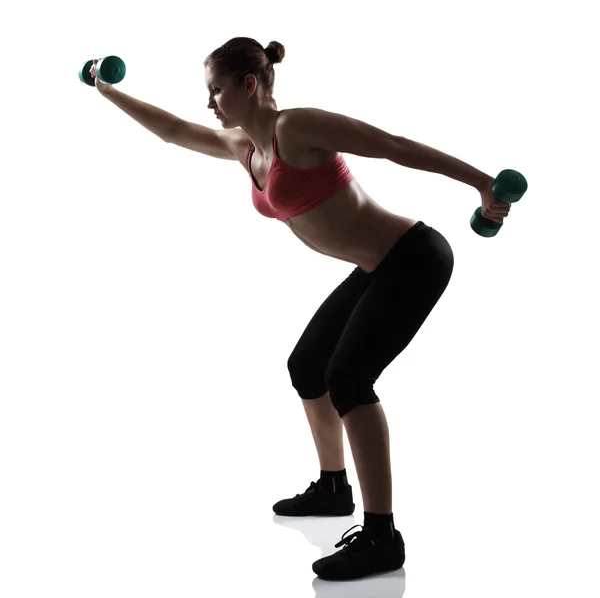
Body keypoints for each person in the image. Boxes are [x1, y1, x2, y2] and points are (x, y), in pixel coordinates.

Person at [91, 37, 511, 582]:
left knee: (349, 379)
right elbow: (175, 132)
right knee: (307, 368)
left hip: (414, 257)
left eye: (216, 90)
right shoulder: (248, 148)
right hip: (375, 268)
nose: (210, 104)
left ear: (249, 84)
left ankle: (382, 537)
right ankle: (333, 487)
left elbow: (391, 144)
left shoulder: (295, 128)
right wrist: (106, 91)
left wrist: (481, 183)